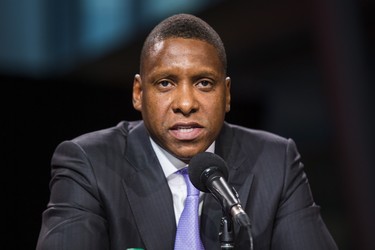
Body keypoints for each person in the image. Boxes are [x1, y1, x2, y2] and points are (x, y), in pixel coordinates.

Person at [36, 13, 338, 250]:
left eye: (204, 83)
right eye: (165, 83)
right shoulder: (89, 163)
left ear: (227, 94)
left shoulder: (276, 161)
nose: (185, 103)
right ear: (139, 93)